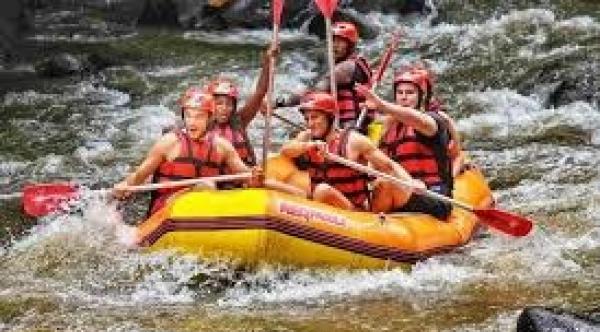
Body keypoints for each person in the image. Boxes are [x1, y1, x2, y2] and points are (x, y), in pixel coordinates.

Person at [113, 87, 261, 215]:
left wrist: (254, 177)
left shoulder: (222, 147)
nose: (192, 122)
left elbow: (245, 175)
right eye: (188, 116)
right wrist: (125, 185)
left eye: (199, 116)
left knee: (208, 187)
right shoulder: (169, 143)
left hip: (206, 205)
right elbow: (140, 175)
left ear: (210, 119)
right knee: (207, 186)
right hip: (168, 209)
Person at [280, 92, 422, 211]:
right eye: (307, 119)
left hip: (353, 211)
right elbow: (286, 151)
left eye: (315, 117)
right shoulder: (306, 137)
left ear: (330, 118)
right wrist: (308, 146)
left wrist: (411, 183)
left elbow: (388, 166)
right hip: (323, 210)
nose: (310, 124)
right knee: (317, 190)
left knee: (382, 182)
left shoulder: (354, 141)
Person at [356, 67, 454, 220]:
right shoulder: (385, 128)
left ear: (421, 97)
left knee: (385, 183)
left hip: (433, 196)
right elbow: (375, 165)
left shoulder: (432, 122)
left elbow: (416, 119)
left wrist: (383, 106)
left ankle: (368, 225)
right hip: (401, 189)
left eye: (410, 93)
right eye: (400, 93)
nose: (403, 97)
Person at [275, 21, 374, 133]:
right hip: (352, 124)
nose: (335, 45)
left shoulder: (345, 68)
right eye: (333, 41)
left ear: (350, 45)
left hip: (351, 128)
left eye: (341, 42)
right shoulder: (353, 63)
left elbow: (315, 93)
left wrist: (281, 104)